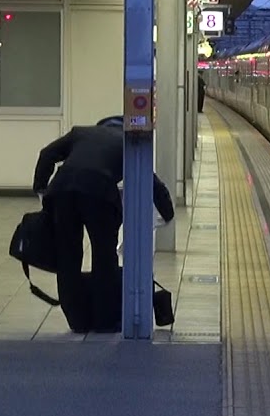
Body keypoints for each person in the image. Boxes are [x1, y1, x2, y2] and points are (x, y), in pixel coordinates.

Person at [32, 116, 175, 333]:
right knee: (104, 259)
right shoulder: (127, 142)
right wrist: (168, 213)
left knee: (68, 258)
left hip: (61, 192)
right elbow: (151, 181)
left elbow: (46, 154)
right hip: (99, 195)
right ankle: (104, 321)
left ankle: (77, 321)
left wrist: (41, 189)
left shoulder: (80, 132)